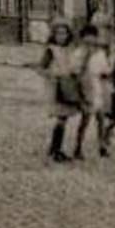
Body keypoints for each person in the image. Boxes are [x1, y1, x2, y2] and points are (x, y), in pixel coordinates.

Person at [38, 16, 80, 163]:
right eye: (58, 33)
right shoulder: (51, 50)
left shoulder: (70, 49)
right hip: (57, 88)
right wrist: (52, 76)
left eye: (64, 33)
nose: (61, 36)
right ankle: (56, 150)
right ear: (53, 35)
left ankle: (54, 149)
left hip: (67, 86)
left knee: (64, 118)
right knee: (61, 119)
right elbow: (41, 68)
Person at [73, 13, 113, 160]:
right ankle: (78, 147)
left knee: (101, 118)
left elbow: (106, 71)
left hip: (98, 88)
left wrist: (106, 75)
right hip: (85, 88)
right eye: (87, 41)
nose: (90, 44)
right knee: (85, 120)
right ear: (82, 40)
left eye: (93, 40)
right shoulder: (78, 54)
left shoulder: (100, 54)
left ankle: (102, 146)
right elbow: (75, 71)